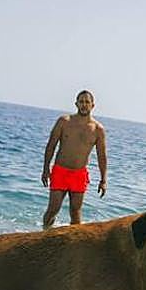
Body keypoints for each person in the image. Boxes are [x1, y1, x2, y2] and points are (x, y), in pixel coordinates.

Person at [41, 90, 107, 228]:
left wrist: (103, 180)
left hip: (79, 174)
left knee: (75, 213)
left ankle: (73, 245)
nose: (84, 105)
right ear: (76, 103)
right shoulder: (64, 122)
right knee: (53, 209)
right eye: (81, 101)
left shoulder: (97, 129)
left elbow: (102, 156)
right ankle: (44, 234)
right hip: (60, 171)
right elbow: (51, 145)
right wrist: (46, 168)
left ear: (92, 105)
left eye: (87, 102)